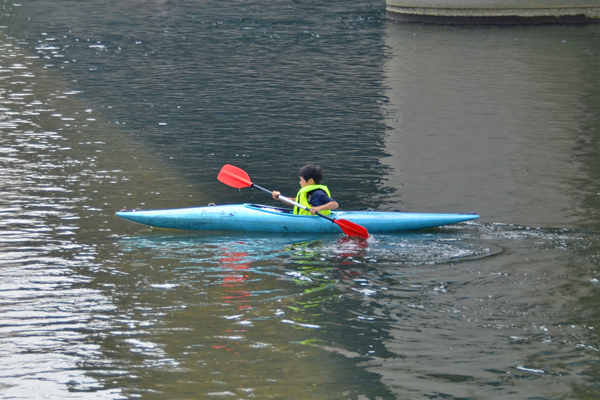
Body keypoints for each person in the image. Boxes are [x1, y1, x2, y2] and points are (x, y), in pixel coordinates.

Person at [272, 164, 339, 216]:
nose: (300, 182)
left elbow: (334, 204)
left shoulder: (317, 193)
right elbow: (295, 201)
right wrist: (280, 197)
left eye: (301, 180)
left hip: (313, 221)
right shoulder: (308, 193)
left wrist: (318, 208)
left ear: (310, 181)